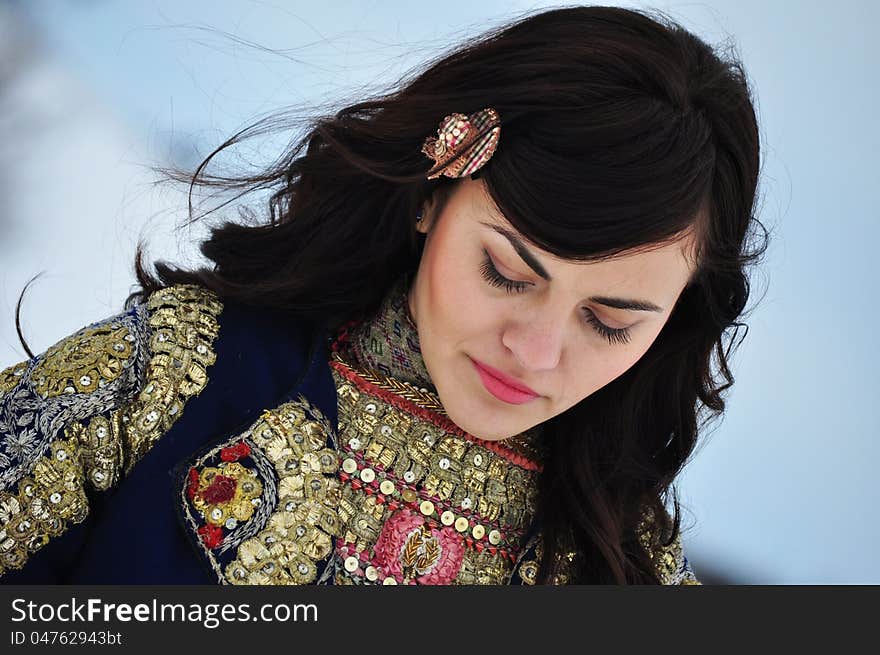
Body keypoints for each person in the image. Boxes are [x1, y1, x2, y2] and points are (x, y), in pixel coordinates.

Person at [0, 5, 765, 585]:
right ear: (433, 190)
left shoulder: (628, 568)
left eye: (607, 322)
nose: (534, 351)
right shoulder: (177, 373)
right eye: (507, 272)